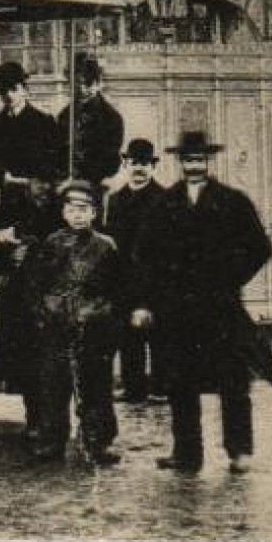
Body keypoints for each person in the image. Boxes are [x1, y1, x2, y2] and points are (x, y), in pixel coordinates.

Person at [130, 131, 271, 474]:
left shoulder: (233, 201)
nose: (195, 165)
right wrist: (148, 301)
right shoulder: (163, 205)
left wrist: (229, 278)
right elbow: (143, 257)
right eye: (189, 159)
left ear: (209, 162)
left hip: (220, 308)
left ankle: (239, 451)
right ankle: (187, 453)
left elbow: (260, 248)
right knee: (180, 383)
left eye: (200, 159)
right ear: (180, 162)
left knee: (233, 380)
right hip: (176, 310)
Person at [26, 179, 122, 465]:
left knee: (95, 387)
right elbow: (36, 284)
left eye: (84, 209)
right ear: (64, 212)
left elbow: (117, 290)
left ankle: (97, 443)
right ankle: (51, 442)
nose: (78, 214)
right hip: (57, 327)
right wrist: (46, 310)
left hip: (93, 328)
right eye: (72, 208)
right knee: (54, 386)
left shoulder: (106, 247)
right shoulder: (52, 243)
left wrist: (96, 312)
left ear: (94, 213)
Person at [0, 157, 64, 443]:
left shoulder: (63, 211)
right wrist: (6, 252)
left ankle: (53, 420)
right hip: (20, 299)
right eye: (39, 182)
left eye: (50, 182)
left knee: (52, 361)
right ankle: (34, 416)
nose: (45, 188)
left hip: (54, 297)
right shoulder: (10, 209)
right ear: (29, 182)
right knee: (25, 360)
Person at [102, 138, 167, 402]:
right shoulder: (115, 200)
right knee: (128, 336)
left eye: (144, 163)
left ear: (152, 167)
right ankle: (134, 387)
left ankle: (161, 388)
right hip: (124, 279)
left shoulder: (164, 198)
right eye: (133, 163)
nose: (138, 169)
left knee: (159, 337)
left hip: (156, 279)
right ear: (125, 165)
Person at [0, 61, 60, 196]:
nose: (9, 95)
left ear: (25, 90)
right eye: (4, 90)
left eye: (14, 89)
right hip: (2, 195)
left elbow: (54, 161)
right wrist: (1, 173)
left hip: (35, 198)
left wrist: (37, 179)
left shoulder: (44, 123)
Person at [55, 55, 125, 198]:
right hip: (65, 185)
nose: (81, 89)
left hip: (94, 187)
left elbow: (109, 161)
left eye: (87, 83)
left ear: (98, 84)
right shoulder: (64, 115)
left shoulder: (111, 118)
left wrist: (81, 181)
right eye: (76, 83)